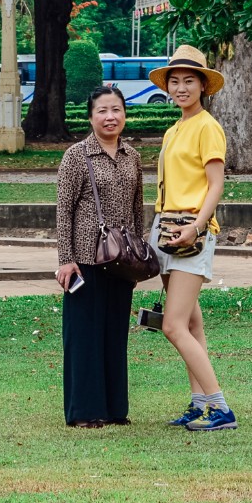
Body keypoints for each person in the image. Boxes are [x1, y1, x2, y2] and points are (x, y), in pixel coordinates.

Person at [147, 47, 235, 432]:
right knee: (192, 325)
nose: (181, 88)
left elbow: (216, 184)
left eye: (189, 81)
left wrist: (197, 227)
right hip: (167, 228)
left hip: (190, 232)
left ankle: (220, 408)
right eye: (175, 81)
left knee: (172, 325)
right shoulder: (175, 129)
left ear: (203, 86)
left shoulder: (207, 127)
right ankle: (200, 403)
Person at [54, 85, 146, 429]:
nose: (110, 117)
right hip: (85, 259)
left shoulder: (132, 156)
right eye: (103, 111)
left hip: (122, 261)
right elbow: (64, 210)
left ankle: (113, 408)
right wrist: (66, 259)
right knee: (84, 336)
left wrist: (139, 253)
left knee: (113, 334)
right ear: (91, 117)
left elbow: (138, 207)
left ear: (125, 114)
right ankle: (84, 411)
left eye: (117, 110)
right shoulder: (77, 156)